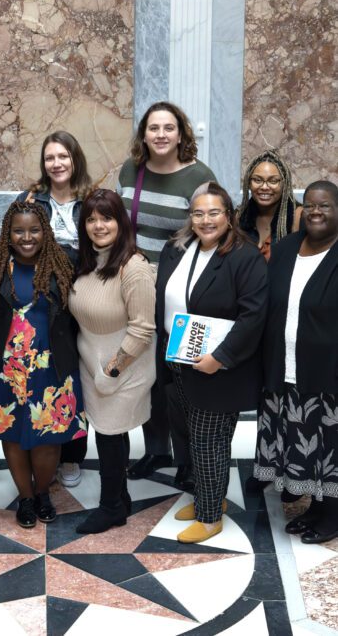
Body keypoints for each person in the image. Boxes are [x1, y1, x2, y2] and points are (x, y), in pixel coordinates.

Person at [155, 182, 267, 543]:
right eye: (198, 213)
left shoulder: (245, 256)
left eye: (214, 212)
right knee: (194, 436)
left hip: (218, 369)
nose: (206, 220)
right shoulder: (178, 248)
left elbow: (253, 316)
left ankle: (209, 518)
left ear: (229, 215)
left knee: (208, 441)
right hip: (179, 361)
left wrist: (220, 358)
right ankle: (210, 498)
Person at [117, 101, 216, 485]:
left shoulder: (199, 176)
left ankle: (189, 458)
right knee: (148, 374)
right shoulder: (131, 170)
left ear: (181, 134)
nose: (161, 134)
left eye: (168, 128)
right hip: (138, 285)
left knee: (182, 375)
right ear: (144, 134)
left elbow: (212, 229)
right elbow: (119, 225)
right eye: (153, 128)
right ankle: (157, 449)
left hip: (182, 289)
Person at [0, 199, 87, 528]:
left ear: (45, 231)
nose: (26, 237)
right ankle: (25, 498)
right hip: (5, 369)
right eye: (18, 231)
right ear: (7, 233)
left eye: (34, 230)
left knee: (49, 436)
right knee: (12, 434)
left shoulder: (64, 261)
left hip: (53, 367)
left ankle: (42, 493)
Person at [253, 181, 338, 544]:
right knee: (306, 444)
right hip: (284, 367)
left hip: (328, 373)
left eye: (326, 205)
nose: (316, 212)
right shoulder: (287, 248)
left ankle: (333, 514)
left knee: (330, 445)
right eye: (311, 205)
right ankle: (315, 507)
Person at [69, 189, 156, 533]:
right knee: (112, 432)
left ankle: (110, 508)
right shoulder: (90, 260)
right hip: (92, 364)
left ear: (121, 221)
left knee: (108, 434)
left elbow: (142, 329)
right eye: (91, 219)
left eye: (106, 218)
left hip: (124, 366)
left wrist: (112, 369)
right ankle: (120, 496)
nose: (98, 226)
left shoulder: (134, 268)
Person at [15, 130, 93, 488]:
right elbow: (15, 243)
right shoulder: (31, 200)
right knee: (47, 376)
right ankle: (43, 446)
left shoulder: (90, 200)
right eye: (50, 157)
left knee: (76, 376)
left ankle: (72, 453)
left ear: (75, 159)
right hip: (44, 303)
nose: (57, 163)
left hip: (85, 299)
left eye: (63, 156)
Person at [237, 149, 302, 261]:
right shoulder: (239, 216)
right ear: (249, 183)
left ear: (284, 184)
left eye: (273, 181)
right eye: (257, 180)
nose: (264, 187)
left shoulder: (297, 215)